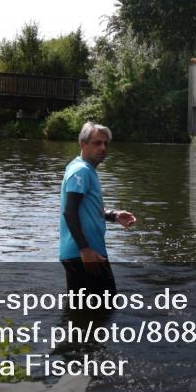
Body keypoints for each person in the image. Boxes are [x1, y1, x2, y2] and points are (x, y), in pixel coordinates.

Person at [59, 122, 136, 295]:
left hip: (79, 253)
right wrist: (85, 250)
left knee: (82, 312)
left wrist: (113, 215)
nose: (102, 147)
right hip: (86, 253)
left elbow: (85, 208)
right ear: (83, 145)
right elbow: (69, 211)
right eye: (97, 143)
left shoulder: (83, 169)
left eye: (105, 143)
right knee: (105, 308)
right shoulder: (81, 171)